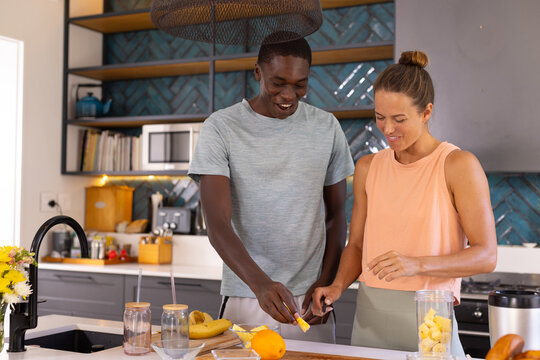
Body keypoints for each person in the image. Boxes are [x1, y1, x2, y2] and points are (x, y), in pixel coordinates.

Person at [311, 50, 497, 355]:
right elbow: (356, 244)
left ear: (426, 112)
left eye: (399, 119)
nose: (387, 129)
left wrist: (416, 264)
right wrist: (336, 287)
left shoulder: (457, 164)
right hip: (371, 315)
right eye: (380, 117)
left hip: (430, 316)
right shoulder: (368, 167)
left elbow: (486, 255)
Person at [188, 35, 354, 342]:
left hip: (310, 303)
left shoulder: (327, 127)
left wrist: (326, 284)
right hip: (246, 297)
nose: (289, 94)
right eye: (278, 82)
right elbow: (217, 224)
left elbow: (337, 215)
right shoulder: (221, 128)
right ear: (257, 73)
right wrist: (260, 284)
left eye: (300, 84)